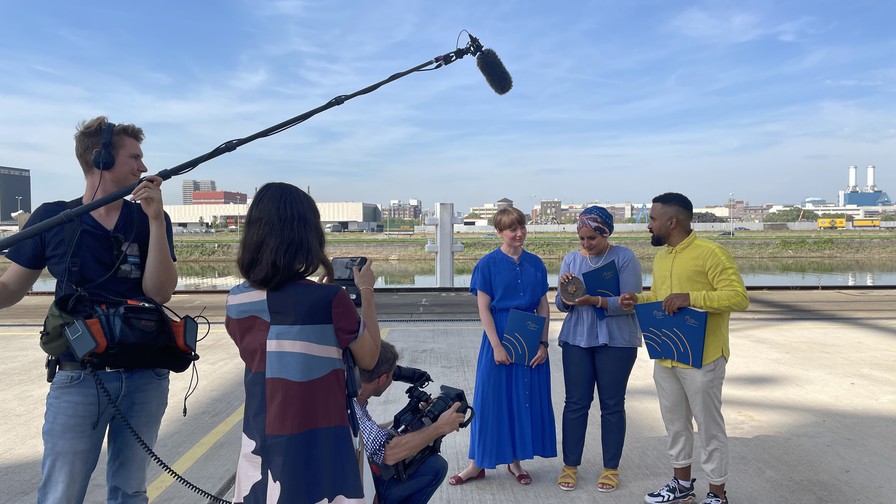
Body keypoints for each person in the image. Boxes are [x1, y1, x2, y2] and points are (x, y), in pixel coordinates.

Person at [0, 116, 177, 503]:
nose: (144, 167)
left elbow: (159, 292)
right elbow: (9, 291)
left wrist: (155, 223)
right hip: (80, 377)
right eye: (135, 157)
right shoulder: (53, 217)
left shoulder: (151, 219)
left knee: (130, 490)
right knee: (62, 491)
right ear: (100, 159)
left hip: (146, 376)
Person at [225, 182, 382, 504]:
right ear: (307, 236)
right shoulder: (330, 300)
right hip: (319, 434)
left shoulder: (237, 300)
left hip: (260, 433)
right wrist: (365, 291)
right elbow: (369, 358)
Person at [619, 192, 749, 504]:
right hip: (666, 354)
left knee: (709, 428)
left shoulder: (711, 254)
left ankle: (717, 493)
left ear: (672, 221)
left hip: (703, 358)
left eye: (652, 219)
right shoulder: (663, 256)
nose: (648, 225)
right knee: (675, 424)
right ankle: (681, 485)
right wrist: (638, 300)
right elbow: (664, 297)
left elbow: (738, 297)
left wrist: (690, 297)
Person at [449, 206, 556, 486]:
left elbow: (543, 304)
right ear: (499, 232)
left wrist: (543, 343)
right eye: (512, 229)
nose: (519, 233)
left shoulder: (536, 263)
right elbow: (484, 309)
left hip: (530, 335)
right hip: (498, 334)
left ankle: (515, 462)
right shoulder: (487, 265)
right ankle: (476, 464)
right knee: (490, 400)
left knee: (522, 399)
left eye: (522, 227)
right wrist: (496, 345)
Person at [554, 206, 642, 493]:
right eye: (581, 238)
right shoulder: (570, 259)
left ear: (606, 234)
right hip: (577, 339)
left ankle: (611, 468)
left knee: (612, 405)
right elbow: (560, 304)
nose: (586, 244)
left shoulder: (624, 257)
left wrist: (596, 301)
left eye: (592, 238)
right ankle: (570, 465)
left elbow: (630, 302)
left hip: (616, 340)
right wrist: (567, 296)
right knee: (575, 403)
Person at [353, 341, 466, 504]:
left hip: (351, 475)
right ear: (382, 378)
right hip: (358, 488)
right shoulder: (352, 409)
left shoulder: (353, 395)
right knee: (435, 467)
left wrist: (414, 414)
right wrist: (439, 427)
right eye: (393, 375)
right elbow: (388, 454)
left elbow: (370, 434)